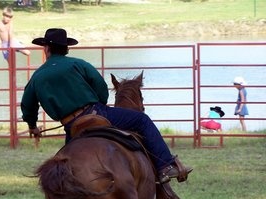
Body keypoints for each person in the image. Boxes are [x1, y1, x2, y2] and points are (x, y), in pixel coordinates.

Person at [21, 28, 192, 184]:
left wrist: (33, 126)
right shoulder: (78, 64)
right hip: (95, 113)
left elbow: (28, 106)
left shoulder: (37, 77)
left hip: (71, 126)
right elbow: (101, 87)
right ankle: (165, 166)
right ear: (66, 49)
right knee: (142, 120)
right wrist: (100, 105)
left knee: (67, 166)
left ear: (46, 49)